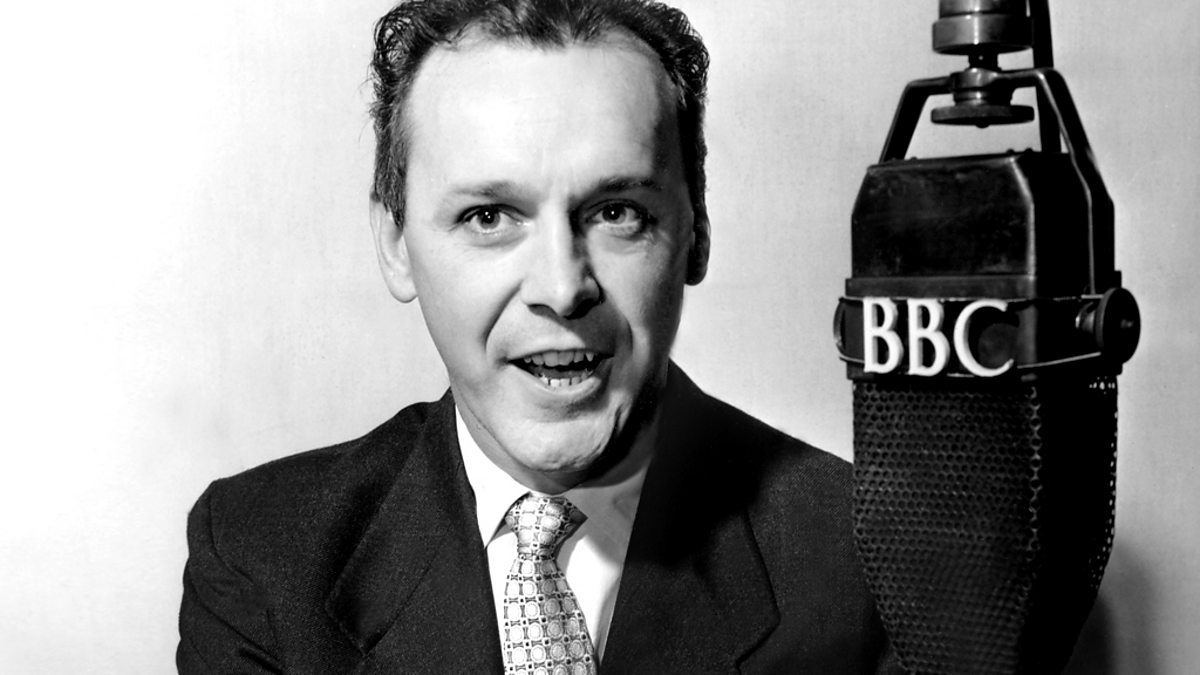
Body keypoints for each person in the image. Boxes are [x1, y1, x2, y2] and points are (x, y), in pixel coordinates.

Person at [177, 0, 899, 672]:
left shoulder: (872, 561)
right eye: (489, 217)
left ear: (696, 231)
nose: (561, 287)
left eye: (617, 212)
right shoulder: (259, 557)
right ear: (395, 244)